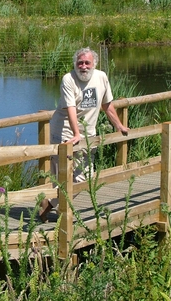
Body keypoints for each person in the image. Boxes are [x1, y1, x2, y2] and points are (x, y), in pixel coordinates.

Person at [39, 47, 130, 222]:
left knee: (84, 178)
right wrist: (75, 133)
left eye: (87, 63)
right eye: (80, 63)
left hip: (88, 134)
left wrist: (119, 126)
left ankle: (50, 204)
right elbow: (70, 108)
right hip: (64, 129)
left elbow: (107, 105)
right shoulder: (69, 79)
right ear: (75, 64)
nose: (83, 66)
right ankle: (61, 214)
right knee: (64, 175)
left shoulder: (101, 77)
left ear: (94, 64)